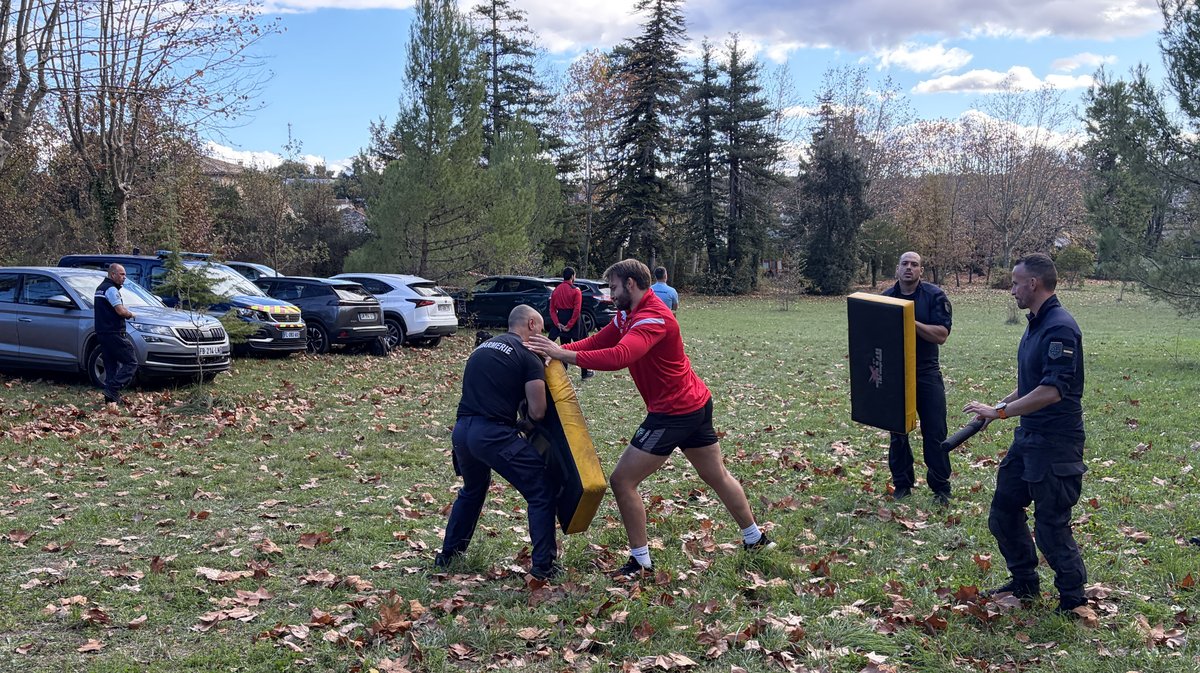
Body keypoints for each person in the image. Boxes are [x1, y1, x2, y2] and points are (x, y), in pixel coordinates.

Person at [527, 259, 772, 579]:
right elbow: (601, 341)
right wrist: (560, 350)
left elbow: (619, 356)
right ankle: (755, 538)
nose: (611, 295)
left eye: (613, 287)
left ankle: (640, 562)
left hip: (674, 413)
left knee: (622, 480)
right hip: (693, 402)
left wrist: (562, 354)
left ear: (631, 284)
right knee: (717, 475)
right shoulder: (628, 315)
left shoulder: (653, 317)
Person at [962, 253, 1088, 616]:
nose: (1012, 289)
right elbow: (1033, 384)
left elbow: (1052, 390)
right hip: (1028, 437)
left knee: (1051, 526)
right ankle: (1025, 584)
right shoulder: (1036, 323)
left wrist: (1000, 412)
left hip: (1056, 443)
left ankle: (1072, 600)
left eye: (1016, 282)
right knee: (1003, 512)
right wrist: (997, 407)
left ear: (1033, 283)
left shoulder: (1060, 327)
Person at [436, 305, 561, 581]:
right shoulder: (528, 356)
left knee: (472, 490)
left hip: (462, 432)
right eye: (540, 329)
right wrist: (525, 426)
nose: (541, 335)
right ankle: (544, 566)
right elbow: (538, 410)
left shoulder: (482, 347)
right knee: (540, 490)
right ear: (531, 324)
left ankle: (448, 555)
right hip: (492, 434)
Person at [880, 252, 953, 505]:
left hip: (926, 373)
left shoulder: (935, 297)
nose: (909, 268)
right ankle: (902, 484)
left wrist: (910, 320)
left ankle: (941, 487)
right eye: (904, 264)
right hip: (895, 375)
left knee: (935, 431)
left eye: (914, 265)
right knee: (897, 433)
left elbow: (941, 334)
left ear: (921, 270)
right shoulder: (885, 299)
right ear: (897, 269)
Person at [94, 263, 138, 406]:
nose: (124, 277)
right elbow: (120, 311)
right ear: (112, 275)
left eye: (124, 274)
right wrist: (131, 314)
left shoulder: (100, 288)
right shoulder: (111, 289)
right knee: (131, 362)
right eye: (122, 274)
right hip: (114, 332)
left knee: (111, 366)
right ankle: (113, 389)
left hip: (102, 332)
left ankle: (111, 401)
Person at [548, 266, 592, 380]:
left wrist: (558, 323)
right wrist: (570, 325)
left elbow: (552, 310)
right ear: (572, 276)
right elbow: (577, 310)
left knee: (564, 347)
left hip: (560, 318)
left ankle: (563, 373)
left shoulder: (556, 290)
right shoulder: (576, 290)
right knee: (581, 346)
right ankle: (584, 373)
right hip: (574, 321)